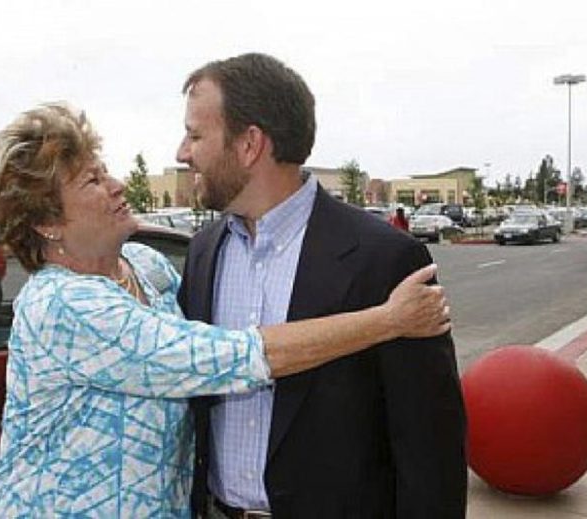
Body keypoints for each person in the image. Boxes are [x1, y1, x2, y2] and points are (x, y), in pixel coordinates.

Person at [0, 103, 451, 518]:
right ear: (48, 222)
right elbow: (229, 356)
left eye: (106, 170)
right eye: (93, 180)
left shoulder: (145, 265)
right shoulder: (62, 305)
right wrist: (388, 319)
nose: (118, 185)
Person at [177, 53, 467, 518]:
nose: (182, 152)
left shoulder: (385, 258)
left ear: (250, 143)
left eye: (195, 134)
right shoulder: (203, 252)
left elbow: (429, 443)